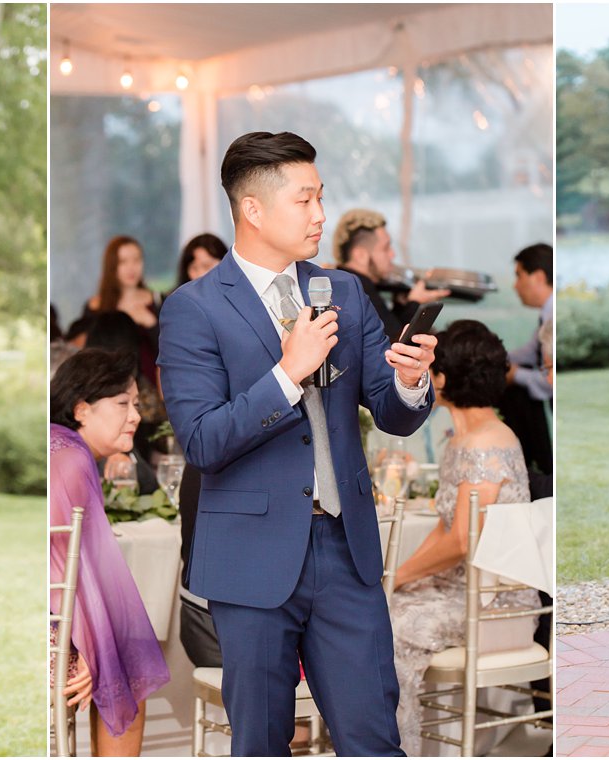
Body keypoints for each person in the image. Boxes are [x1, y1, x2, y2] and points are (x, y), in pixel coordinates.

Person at [159, 131, 438, 757]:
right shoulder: (193, 309)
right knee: (260, 742)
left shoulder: (343, 291)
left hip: (346, 549)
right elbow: (203, 441)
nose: (320, 215)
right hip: (251, 559)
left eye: (321, 198)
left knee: (373, 736)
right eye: (304, 200)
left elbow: (390, 414)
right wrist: (288, 373)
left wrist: (410, 380)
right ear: (253, 210)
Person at [387, 320, 536, 755]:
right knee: (369, 611)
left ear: (444, 379)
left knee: (387, 625)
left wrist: (393, 577)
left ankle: (400, 747)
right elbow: (445, 528)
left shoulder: (484, 444)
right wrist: (401, 577)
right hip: (463, 591)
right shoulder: (465, 440)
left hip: (494, 603)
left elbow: (461, 542)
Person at [51, 348, 171, 756]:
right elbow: (59, 569)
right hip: (48, 624)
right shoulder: (69, 460)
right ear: (82, 409)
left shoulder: (64, 448)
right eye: (123, 404)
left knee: (127, 645)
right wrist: (85, 646)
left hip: (49, 610)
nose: (135, 416)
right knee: (130, 664)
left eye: (136, 404)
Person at [332, 208, 449, 341]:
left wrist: (401, 305)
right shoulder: (359, 290)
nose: (392, 254)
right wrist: (416, 303)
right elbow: (394, 343)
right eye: (385, 248)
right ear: (360, 255)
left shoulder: (346, 284)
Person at [499, 242, 554, 485]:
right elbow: (529, 353)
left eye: (519, 275)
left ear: (539, 277)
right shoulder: (546, 316)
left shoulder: (554, 316)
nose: (515, 285)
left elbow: (551, 382)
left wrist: (514, 375)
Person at [84, 235, 160, 382]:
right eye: (123, 262)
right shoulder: (95, 307)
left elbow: (171, 351)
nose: (131, 268)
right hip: (108, 387)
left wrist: (152, 325)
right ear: (111, 266)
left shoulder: (156, 301)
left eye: (136, 260)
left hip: (152, 391)